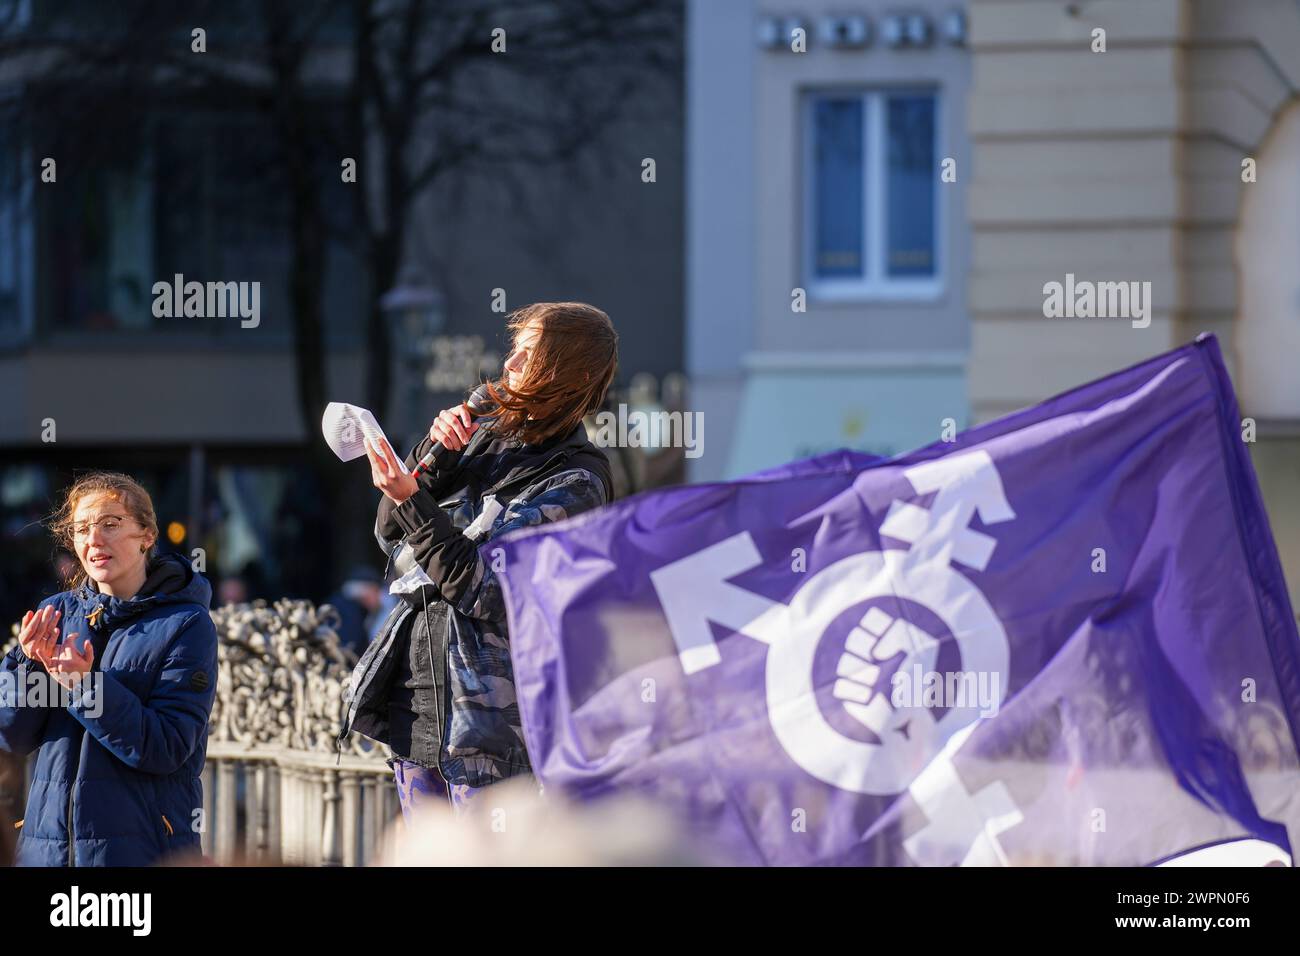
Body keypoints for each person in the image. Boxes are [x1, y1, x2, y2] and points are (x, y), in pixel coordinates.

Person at [340, 301, 617, 820]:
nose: (509, 364)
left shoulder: (576, 479)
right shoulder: (483, 437)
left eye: (529, 354)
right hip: (416, 706)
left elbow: (485, 586)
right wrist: (434, 457)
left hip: (493, 731)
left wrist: (410, 501)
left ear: (569, 372)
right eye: (514, 349)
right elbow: (387, 537)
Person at [0, 472, 218, 866]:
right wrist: (27, 665)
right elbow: (10, 735)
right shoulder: (59, 612)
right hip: (47, 852)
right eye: (82, 529)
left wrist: (84, 686)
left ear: (147, 535)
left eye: (111, 525)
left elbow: (165, 747)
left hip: (140, 854)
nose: (94, 540)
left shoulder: (187, 624)